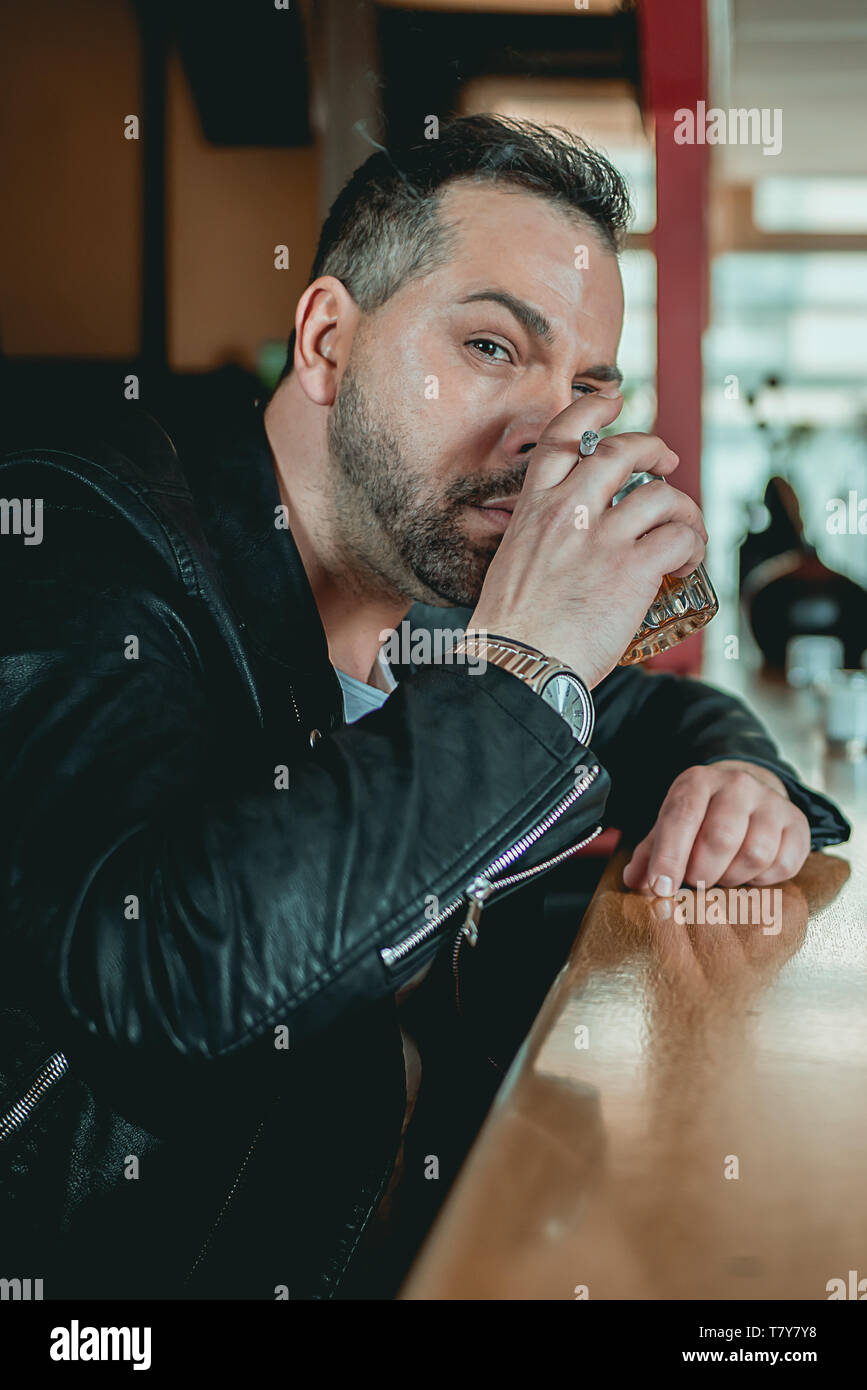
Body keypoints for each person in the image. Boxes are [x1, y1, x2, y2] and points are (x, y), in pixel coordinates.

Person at [0, 114, 849, 1300]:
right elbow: (155, 973)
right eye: (496, 346)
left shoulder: (427, 609)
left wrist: (741, 778)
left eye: (589, 383)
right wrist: (521, 676)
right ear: (329, 340)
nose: (555, 432)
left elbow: (645, 719)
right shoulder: (82, 549)